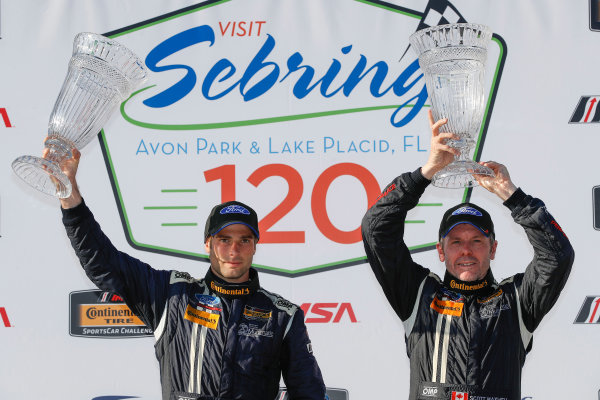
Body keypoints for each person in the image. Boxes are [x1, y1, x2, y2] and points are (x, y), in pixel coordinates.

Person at [54, 147, 326, 400]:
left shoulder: (283, 316)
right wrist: (70, 196)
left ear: (255, 246)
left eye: (244, 240)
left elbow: (309, 394)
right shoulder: (172, 294)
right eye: (224, 239)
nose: (234, 249)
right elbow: (104, 262)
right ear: (208, 243)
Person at [361, 111, 575, 400]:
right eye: (455, 241)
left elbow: (557, 256)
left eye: (477, 240)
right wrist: (426, 172)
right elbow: (375, 229)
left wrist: (511, 195)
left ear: (493, 248)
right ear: (440, 250)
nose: (466, 250)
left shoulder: (517, 300)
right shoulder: (418, 293)